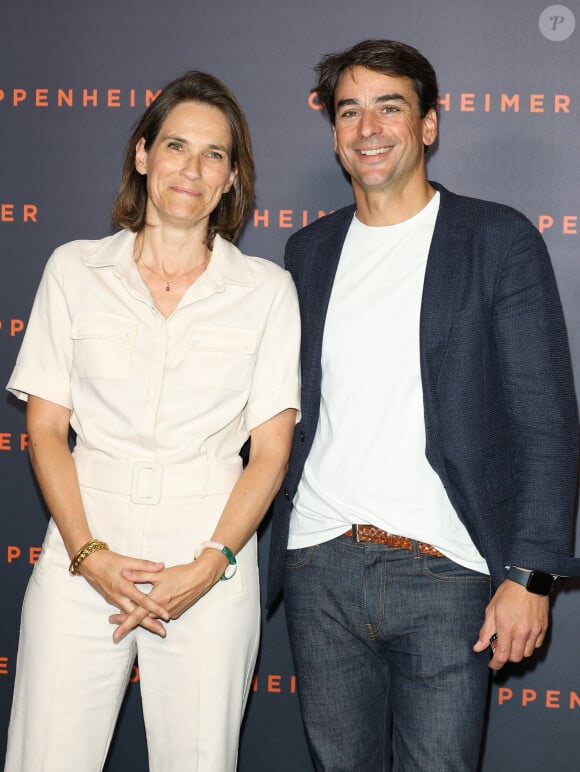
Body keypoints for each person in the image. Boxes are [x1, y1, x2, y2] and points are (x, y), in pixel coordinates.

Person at [267, 39, 580, 771]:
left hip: (446, 572)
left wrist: (530, 574)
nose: (368, 128)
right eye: (350, 111)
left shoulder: (495, 240)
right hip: (320, 565)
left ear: (429, 125)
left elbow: (545, 421)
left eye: (389, 108)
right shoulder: (308, 251)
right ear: (335, 132)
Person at [5, 70, 300, 772]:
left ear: (232, 179)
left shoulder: (266, 291)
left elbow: (270, 452)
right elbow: (46, 430)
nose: (191, 169)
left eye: (214, 155)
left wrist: (210, 566)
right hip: (82, 546)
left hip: (208, 557)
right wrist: (86, 553)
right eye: (175, 146)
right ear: (142, 155)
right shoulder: (73, 271)